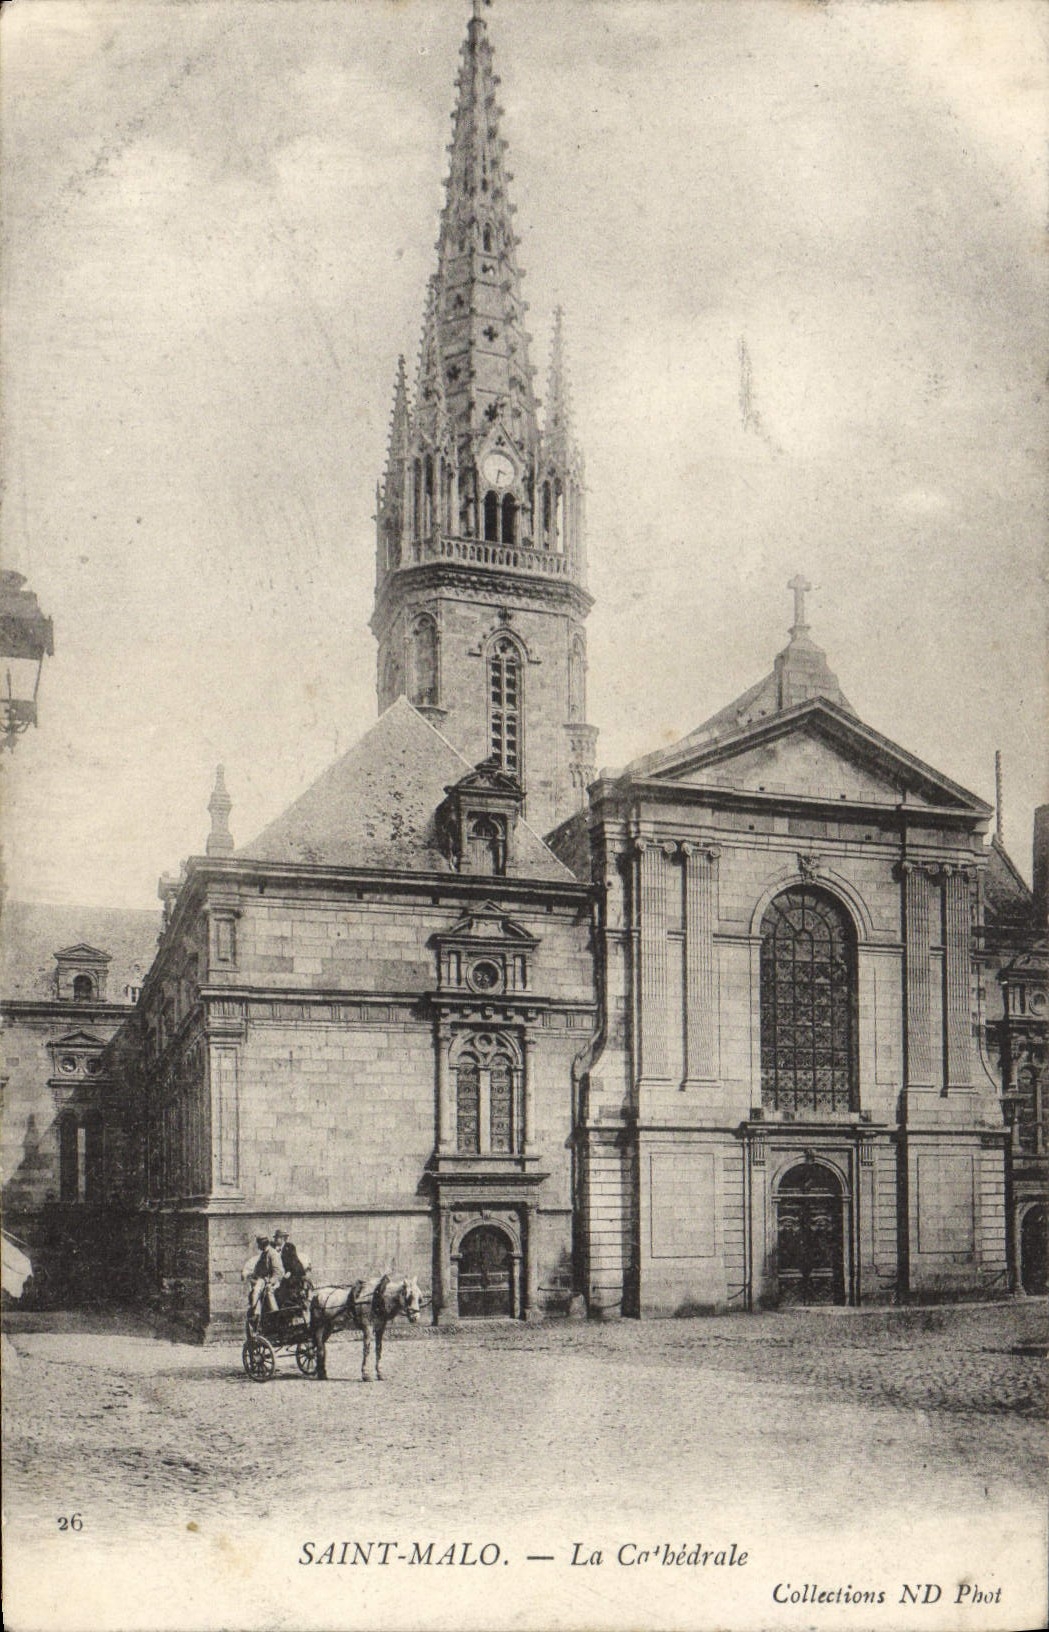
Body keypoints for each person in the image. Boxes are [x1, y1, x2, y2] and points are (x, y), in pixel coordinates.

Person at [241, 1235, 283, 1325]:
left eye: (258, 1244)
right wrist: (253, 1276)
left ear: (262, 1244)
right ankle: (255, 1311)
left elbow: (278, 1272)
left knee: (268, 1291)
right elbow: (259, 1269)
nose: (258, 1246)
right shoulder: (264, 1254)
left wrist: (271, 1282)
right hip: (265, 1280)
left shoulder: (272, 1254)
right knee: (256, 1289)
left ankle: (275, 1314)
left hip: (275, 1281)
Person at [272, 1228, 312, 1319]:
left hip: (292, 1274)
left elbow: (293, 1261)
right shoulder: (273, 1249)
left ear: (283, 1239)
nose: (275, 1240)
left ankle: (291, 1309)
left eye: (277, 1238)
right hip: (278, 1275)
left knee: (288, 1288)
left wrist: (289, 1272)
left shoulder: (289, 1247)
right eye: (275, 1238)